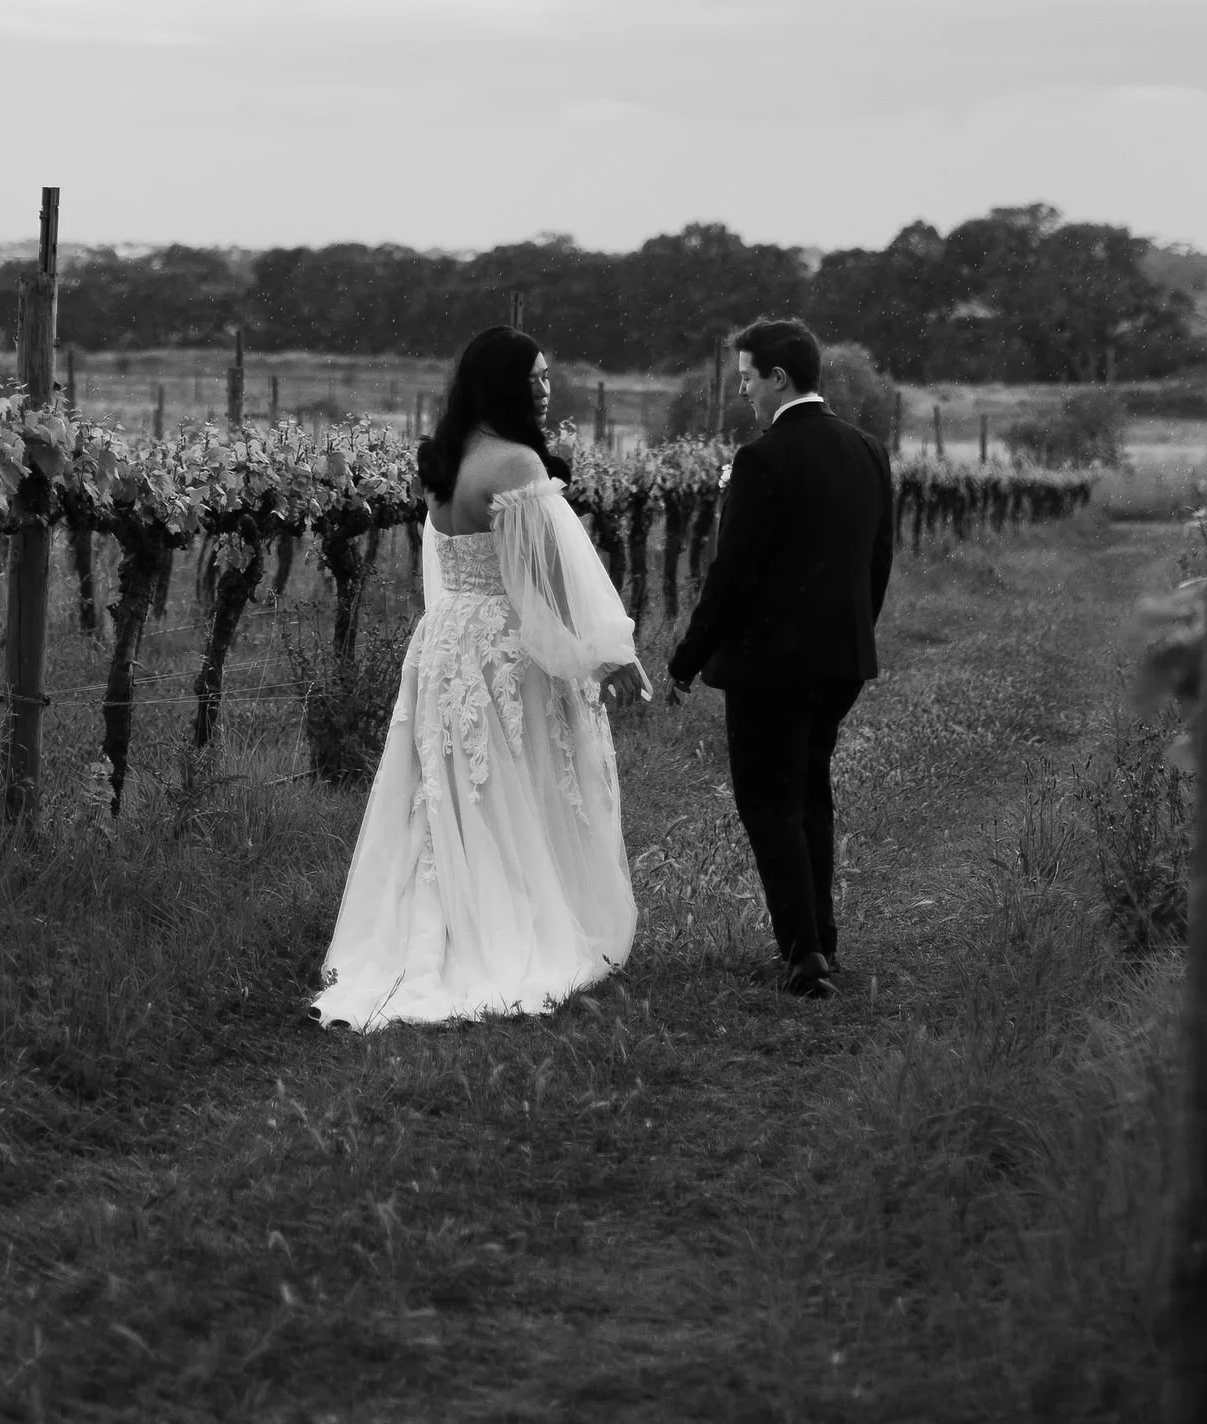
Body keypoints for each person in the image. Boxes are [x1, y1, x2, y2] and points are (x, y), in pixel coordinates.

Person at [314, 325, 649, 1030]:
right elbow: (547, 581)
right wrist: (606, 652)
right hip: (504, 644)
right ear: (504, 385)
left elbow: (447, 565)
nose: (545, 389)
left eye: (547, 376)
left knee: (454, 791)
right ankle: (513, 925)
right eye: (534, 378)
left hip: (446, 639)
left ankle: (444, 922)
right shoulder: (515, 464)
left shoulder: (444, 458)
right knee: (518, 782)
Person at [666, 315, 894, 1001]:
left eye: (747, 380)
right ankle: (820, 940)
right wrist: (850, 634)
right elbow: (878, 562)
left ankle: (803, 957)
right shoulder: (867, 451)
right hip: (841, 659)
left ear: (778, 378)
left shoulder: (762, 459)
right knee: (810, 793)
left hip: (770, 665)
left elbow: (733, 575)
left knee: (769, 802)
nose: (743, 393)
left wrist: (687, 657)